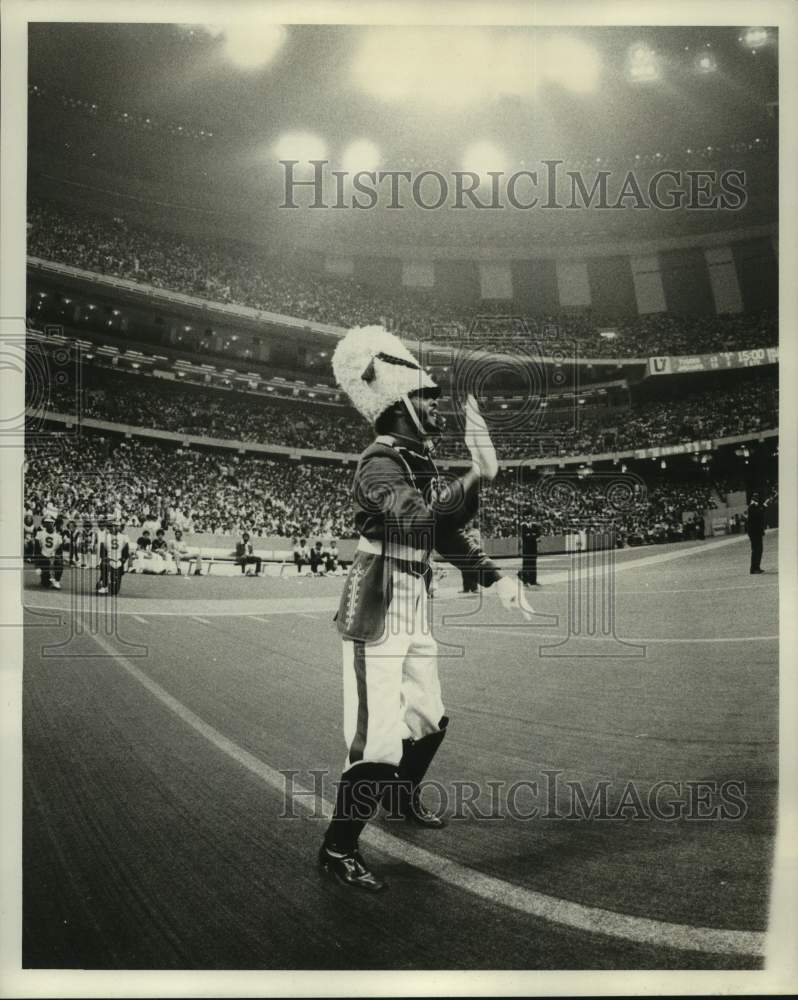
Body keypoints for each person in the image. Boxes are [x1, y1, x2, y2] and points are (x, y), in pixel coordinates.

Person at [318, 325, 532, 892]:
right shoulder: (377, 464)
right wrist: (475, 476)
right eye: (426, 399)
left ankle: (400, 795)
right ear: (397, 405)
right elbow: (416, 520)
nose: (436, 407)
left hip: (412, 599)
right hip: (377, 605)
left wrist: (493, 578)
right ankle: (337, 849)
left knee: (431, 718)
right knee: (379, 741)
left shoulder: (416, 460)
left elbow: (443, 534)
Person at [98, 517, 131, 596]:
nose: (115, 528)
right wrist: (106, 559)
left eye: (117, 526)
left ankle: (114, 584)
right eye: (113, 526)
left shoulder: (123, 537)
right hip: (109, 559)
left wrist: (122, 560)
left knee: (114, 591)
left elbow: (126, 552)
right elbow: (103, 551)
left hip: (118, 560)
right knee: (103, 565)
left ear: (119, 527)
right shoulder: (106, 536)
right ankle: (104, 585)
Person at [34, 508, 64, 589]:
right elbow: (36, 549)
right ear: (44, 524)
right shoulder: (40, 534)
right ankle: (45, 577)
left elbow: (60, 552)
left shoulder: (58, 537)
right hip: (43, 557)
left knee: (59, 562)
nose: (49, 525)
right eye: (47, 523)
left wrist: (56, 559)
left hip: (53, 557)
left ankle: (57, 581)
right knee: (46, 584)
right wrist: (37, 565)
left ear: (54, 524)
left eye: (51, 523)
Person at [746, 491, 766, 574]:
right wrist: (764, 506)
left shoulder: (754, 507)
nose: (756, 499)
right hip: (754, 532)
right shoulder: (752, 507)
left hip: (756, 532)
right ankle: (754, 568)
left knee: (758, 549)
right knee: (756, 550)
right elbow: (758, 514)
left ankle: (756, 567)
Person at [519, 516, 541, 587]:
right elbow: (524, 537)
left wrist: (530, 536)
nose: (528, 517)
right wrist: (533, 536)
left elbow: (538, 534)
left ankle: (533, 581)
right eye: (527, 516)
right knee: (526, 564)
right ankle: (525, 581)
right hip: (527, 548)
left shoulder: (534, 525)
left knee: (533, 564)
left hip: (533, 548)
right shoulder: (523, 526)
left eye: (529, 516)